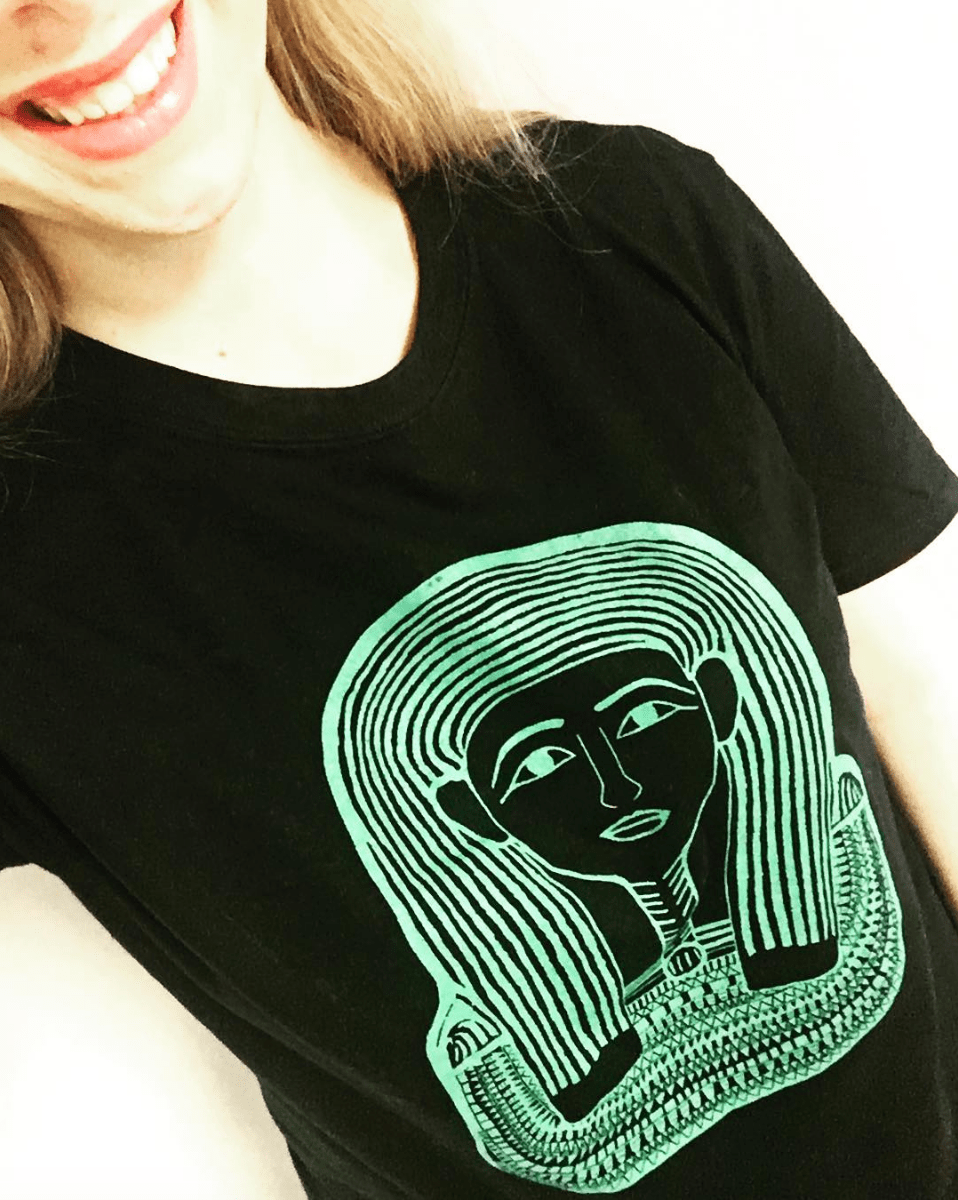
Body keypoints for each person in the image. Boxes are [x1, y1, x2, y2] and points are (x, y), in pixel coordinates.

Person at [0, 1, 955, 1198]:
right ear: (467, 813)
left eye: (648, 720)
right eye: (543, 765)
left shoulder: (636, 219)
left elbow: (911, 692)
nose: (65, 11)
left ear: (719, 703)